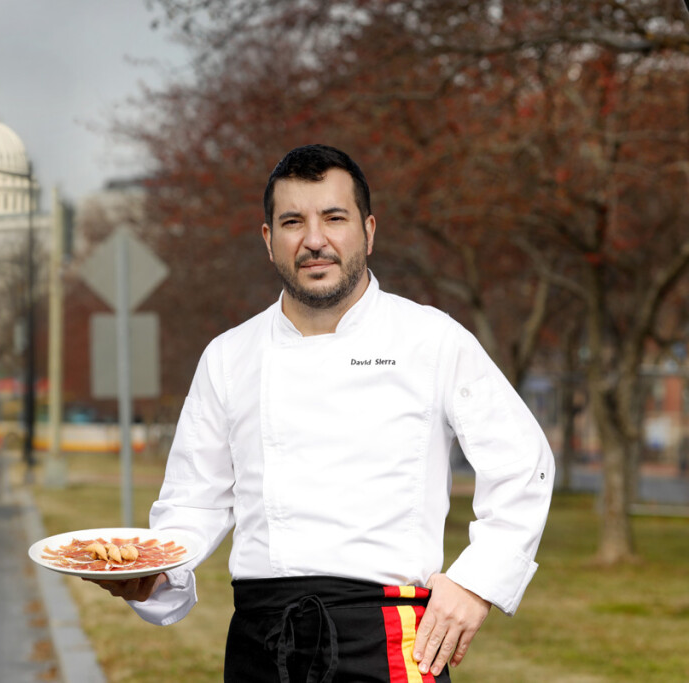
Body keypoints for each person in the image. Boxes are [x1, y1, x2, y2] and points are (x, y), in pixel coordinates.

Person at [87, 144, 555, 682]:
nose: (314, 240)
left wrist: (476, 583)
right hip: (261, 643)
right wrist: (152, 573)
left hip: (392, 639)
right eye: (292, 222)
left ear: (369, 230)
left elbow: (524, 462)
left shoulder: (432, 339)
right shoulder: (228, 356)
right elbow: (192, 503)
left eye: (334, 218)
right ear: (269, 240)